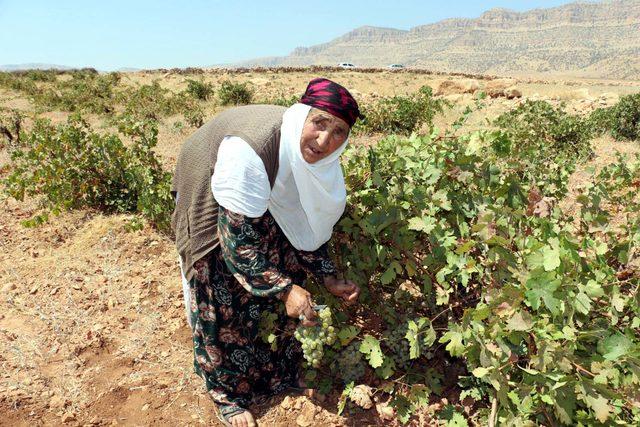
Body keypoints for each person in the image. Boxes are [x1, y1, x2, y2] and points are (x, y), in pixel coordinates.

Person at [171, 77, 362, 427]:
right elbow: (238, 244)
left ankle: (276, 372)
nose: (324, 140)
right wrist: (285, 289)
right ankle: (226, 392)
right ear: (302, 116)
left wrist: (327, 275)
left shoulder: (311, 158)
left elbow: (301, 222)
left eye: (338, 132)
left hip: (258, 181)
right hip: (207, 178)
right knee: (217, 280)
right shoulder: (251, 151)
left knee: (282, 257)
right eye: (319, 123)